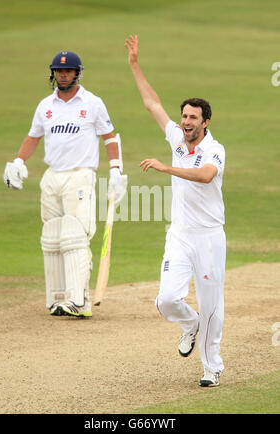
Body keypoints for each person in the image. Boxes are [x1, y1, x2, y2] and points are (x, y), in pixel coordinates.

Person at [125, 35, 226, 387]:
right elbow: (152, 104)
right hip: (180, 234)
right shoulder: (176, 139)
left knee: (212, 304)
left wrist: (167, 169)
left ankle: (211, 367)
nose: (185, 121)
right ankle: (189, 323)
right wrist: (135, 65)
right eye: (183, 116)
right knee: (167, 299)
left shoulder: (214, 150)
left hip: (210, 238)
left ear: (205, 122)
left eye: (192, 118)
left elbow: (205, 175)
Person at [4, 51, 127, 318]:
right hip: (52, 176)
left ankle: (79, 300)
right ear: (53, 74)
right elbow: (33, 137)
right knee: (52, 236)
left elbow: (109, 137)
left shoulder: (92, 103)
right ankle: (58, 298)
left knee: (75, 235)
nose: (63, 75)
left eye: (68, 71)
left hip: (80, 174)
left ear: (77, 73)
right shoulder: (45, 105)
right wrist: (18, 161)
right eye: (59, 71)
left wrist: (116, 169)